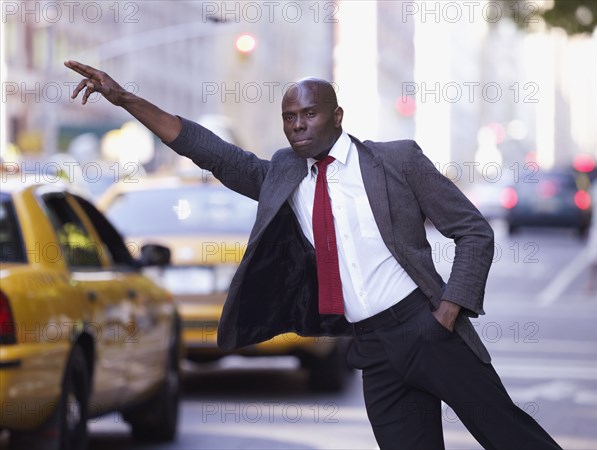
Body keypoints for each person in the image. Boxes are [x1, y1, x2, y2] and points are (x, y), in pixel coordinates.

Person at [65, 60, 562, 450]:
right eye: (289, 117)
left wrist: (449, 310)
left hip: (428, 329)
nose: (298, 125)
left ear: (337, 116)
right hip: (374, 349)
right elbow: (206, 149)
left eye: (309, 113)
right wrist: (125, 98)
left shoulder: (396, 161)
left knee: (508, 436)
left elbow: (473, 231)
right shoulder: (283, 175)